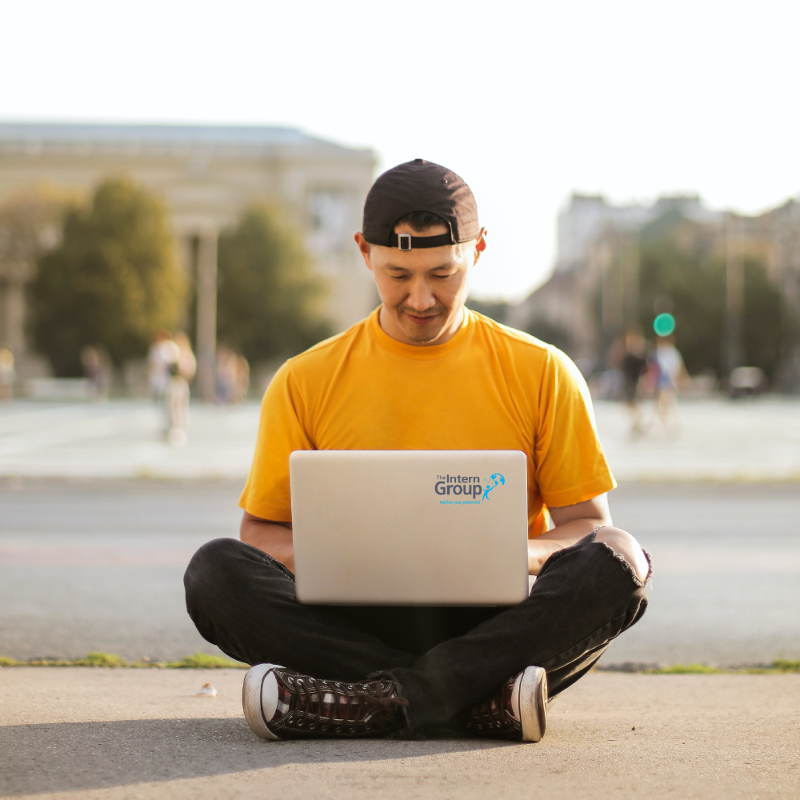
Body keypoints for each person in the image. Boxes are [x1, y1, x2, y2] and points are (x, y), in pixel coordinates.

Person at [184, 159, 651, 744]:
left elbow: (586, 528)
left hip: (497, 623)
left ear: (478, 250)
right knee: (214, 572)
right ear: (364, 251)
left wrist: (510, 552)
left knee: (620, 559)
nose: (421, 298)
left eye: (442, 273)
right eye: (398, 274)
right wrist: (361, 558)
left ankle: (368, 701)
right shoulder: (304, 379)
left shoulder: (543, 372)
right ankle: (473, 702)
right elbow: (259, 535)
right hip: (351, 622)